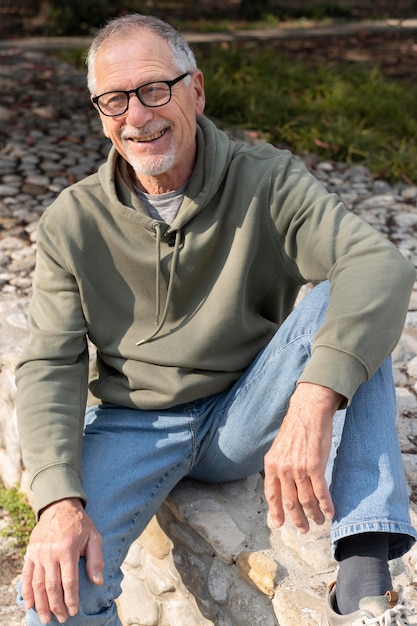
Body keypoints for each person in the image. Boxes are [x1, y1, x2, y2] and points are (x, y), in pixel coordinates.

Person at [15, 13, 416, 626]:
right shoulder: (72, 221)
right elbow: (50, 364)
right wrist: (56, 502)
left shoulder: (267, 178)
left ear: (195, 90)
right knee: (57, 589)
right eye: (115, 100)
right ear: (100, 113)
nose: (138, 116)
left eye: (154, 89)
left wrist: (313, 399)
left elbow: (379, 266)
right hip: (133, 426)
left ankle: (364, 554)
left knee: (351, 291)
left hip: (244, 414)